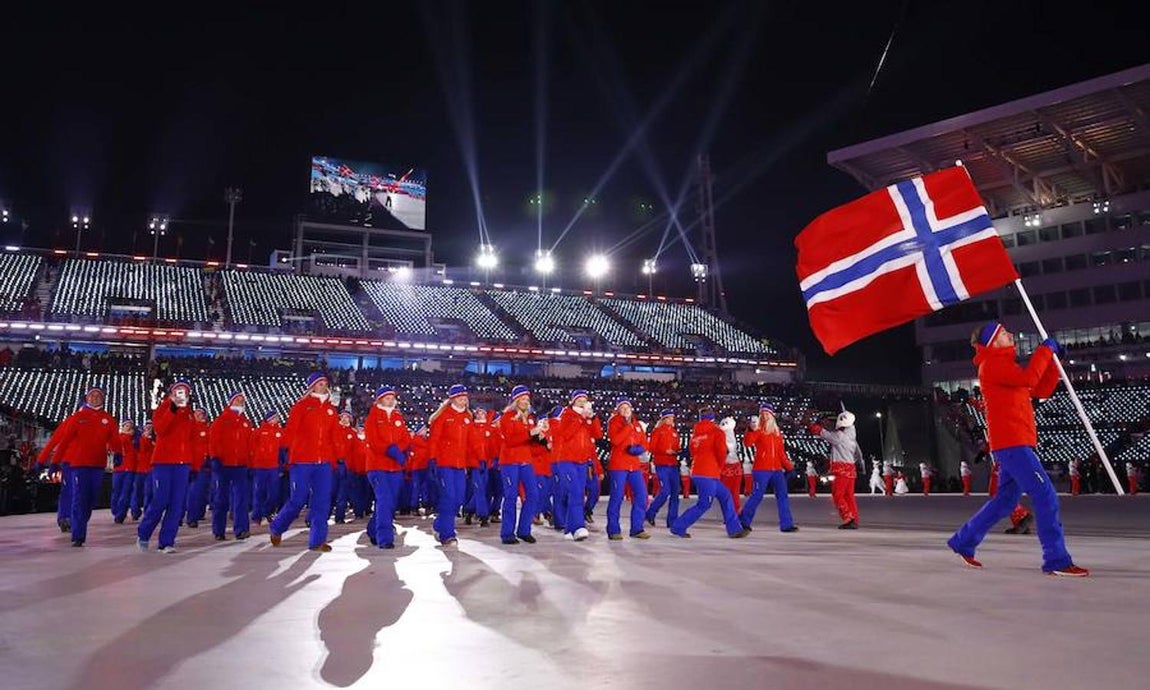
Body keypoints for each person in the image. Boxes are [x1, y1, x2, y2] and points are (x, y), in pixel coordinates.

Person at [947, 322, 1088, 576]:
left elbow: (1039, 388)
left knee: (1004, 501)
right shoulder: (992, 365)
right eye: (1003, 334)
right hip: (1013, 443)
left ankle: (963, 541)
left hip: (1013, 442)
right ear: (992, 343)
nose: (1010, 334)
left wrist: (1054, 363)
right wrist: (1045, 350)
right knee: (1046, 496)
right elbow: (1029, 378)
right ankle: (1056, 559)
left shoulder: (1004, 366)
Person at [269, 372, 342, 553]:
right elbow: (291, 430)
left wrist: (338, 456)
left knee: (322, 502)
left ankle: (317, 541)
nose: (323, 386)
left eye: (325, 383)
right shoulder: (301, 406)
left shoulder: (331, 410)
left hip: (324, 462)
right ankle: (277, 527)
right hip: (302, 460)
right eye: (319, 383)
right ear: (311, 387)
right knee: (298, 498)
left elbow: (335, 436)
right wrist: (284, 450)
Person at [51, 387, 122, 546]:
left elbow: (115, 439)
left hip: (97, 465)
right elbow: (65, 441)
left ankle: (81, 523)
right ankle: (78, 535)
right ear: (86, 398)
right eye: (92, 395)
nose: (95, 398)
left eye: (98, 395)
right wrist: (55, 462)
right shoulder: (78, 417)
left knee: (90, 499)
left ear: (103, 399)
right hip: (79, 464)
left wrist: (118, 453)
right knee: (79, 497)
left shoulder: (108, 419)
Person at [669, 406, 749, 539]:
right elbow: (721, 453)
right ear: (712, 418)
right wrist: (719, 467)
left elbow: (693, 452)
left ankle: (735, 529)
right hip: (709, 474)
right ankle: (678, 526)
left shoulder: (696, 434)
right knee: (704, 504)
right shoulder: (717, 432)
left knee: (726, 496)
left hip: (698, 472)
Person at [138, 379, 197, 553]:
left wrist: (193, 465)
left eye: (185, 391)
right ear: (171, 393)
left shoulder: (189, 414)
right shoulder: (162, 409)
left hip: (182, 464)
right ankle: (144, 533)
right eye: (178, 391)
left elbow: (192, 440)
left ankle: (166, 542)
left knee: (177, 504)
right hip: (163, 462)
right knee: (160, 500)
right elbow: (161, 429)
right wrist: (172, 409)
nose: (181, 394)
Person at [364, 385, 412, 549]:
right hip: (377, 466)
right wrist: (390, 449)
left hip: (395, 467)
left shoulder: (398, 418)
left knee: (389, 503)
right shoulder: (373, 418)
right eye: (387, 398)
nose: (390, 400)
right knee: (385, 500)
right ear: (379, 400)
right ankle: (385, 538)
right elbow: (373, 441)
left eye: (392, 398)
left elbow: (406, 438)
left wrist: (400, 452)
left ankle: (373, 530)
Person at [429, 384, 477, 546]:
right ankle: (447, 534)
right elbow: (434, 439)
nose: (464, 399)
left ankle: (439, 524)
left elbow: (470, 443)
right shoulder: (443, 416)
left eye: (465, 397)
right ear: (452, 399)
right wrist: (432, 459)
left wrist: (473, 461)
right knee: (449, 497)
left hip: (460, 465)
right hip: (444, 463)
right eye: (460, 397)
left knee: (458, 499)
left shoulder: (468, 417)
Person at [738, 403, 797, 533]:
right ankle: (743, 521)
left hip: (776, 470)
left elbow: (781, 453)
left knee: (782, 496)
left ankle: (786, 524)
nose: (765, 416)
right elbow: (748, 443)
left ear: (772, 415)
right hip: (761, 470)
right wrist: (751, 429)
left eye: (767, 413)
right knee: (757, 496)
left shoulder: (777, 433)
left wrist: (789, 467)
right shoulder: (758, 429)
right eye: (762, 414)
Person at [497, 385, 541, 545]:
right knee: (510, 496)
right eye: (522, 399)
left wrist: (540, 438)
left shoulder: (529, 417)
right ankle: (507, 533)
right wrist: (530, 433)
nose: (525, 402)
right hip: (510, 461)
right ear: (516, 400)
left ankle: (524, 529)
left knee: (533, 494)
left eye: (527, 399)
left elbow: (530, 442)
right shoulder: (507, 417)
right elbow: (510, 440)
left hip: (525, 460)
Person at [605, 398, 651, 541]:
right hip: (619, 465)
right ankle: (613, 530)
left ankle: (637, 528)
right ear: (618, 410)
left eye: (627, 408)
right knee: (617, 497)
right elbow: (615, 440)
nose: (625, 410)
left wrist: (639, 449)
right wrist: (627, 427)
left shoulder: (637, 424)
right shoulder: (614, 422)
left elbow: (644, 441)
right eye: (622, 408)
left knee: (642, 496)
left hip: (634, 465)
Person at [209, 391, 253, 541]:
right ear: (231, 401)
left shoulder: (246, 422)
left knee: (241, 499)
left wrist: (249, 463)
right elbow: (214, 440)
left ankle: (241, 529)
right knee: (221, 498)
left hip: (240, 465)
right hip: (223, 464)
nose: (241, 401)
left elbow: (249, 445)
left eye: (242, 399)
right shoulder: (222, 420)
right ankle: (218, 530)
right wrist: (215, 458)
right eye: (237, 399)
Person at [808, 409, 863, 529]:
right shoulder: (851, 438)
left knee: (837, 495)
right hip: (850, 470)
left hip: (841, 470)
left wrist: (814, 426)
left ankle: (848, 518)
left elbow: (826, 434)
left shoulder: (840, 436)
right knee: (849, 496)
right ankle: (854, 518)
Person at [553, 390, 595, 542]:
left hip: (582, 461)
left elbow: (596, 434)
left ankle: (570, 529)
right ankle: (578, 526)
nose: (583, 401)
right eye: (579, 399)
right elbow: (566, 434)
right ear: (573, 401)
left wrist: (592, 419)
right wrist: (581, 418)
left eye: (585, 398)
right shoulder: (567, 415)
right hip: (567, 460)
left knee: (577, 494)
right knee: (576, 492)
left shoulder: (586, 417)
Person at [645, 409, 682, 528]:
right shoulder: (657, 431)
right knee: (665, 491)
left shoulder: (675, 433)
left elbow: (677, 448)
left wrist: (678, 451)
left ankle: (672, 521)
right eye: (669, 417)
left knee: (675, 493)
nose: (672, 419)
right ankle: (650, 513)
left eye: (672, 417)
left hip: (673, 465)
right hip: (662, 465)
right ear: (664, 419)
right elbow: (651, 448)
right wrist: (665, 451)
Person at [250, 411, 287, 525]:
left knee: (274, 493)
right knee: (259, 491)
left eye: (277, 417)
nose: (277, 419)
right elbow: (252, 448)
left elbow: (284, 450)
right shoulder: (259, 432)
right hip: (260, 466)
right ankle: (257, 515)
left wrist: (282, 466)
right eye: (274, 417)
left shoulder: (280, 432)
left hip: (274, 467)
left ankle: (266, 511)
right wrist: (252, 464)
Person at [184, 407, 211, 528]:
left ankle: (198, 514)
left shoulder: (208, 428)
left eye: (201, 413)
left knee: (202, 491)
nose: (199, 415)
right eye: (197, 413)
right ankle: (191, 517)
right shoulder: (190, 428)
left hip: (206, 464)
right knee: (193, 491)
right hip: (193, 464)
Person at [111, 420, 137, 524]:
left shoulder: (134, 440)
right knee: (118, 491)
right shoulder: (120, 437)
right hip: (120, 468)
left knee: (125, 492)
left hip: (129, 468)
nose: (128, 428)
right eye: (126, 425)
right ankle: (117, 511)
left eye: (130, 426)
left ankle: (120, 513)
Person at [718, 416, 743, 513]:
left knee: (727, 492)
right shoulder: (730, 434)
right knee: (734, 491)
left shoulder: (720, 434)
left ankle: (729, 513)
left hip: (726, 465)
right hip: (733, 464)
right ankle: (735, 512)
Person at [131, 422, 155, 521]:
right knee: (137, 492)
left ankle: (147, 512)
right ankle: (135, 512)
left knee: (148, 492)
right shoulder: (137, 439)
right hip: (139, 469)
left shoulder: (155, 440)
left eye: (150, 427)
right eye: (147, 426)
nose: (148, 428)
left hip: (151, 469)